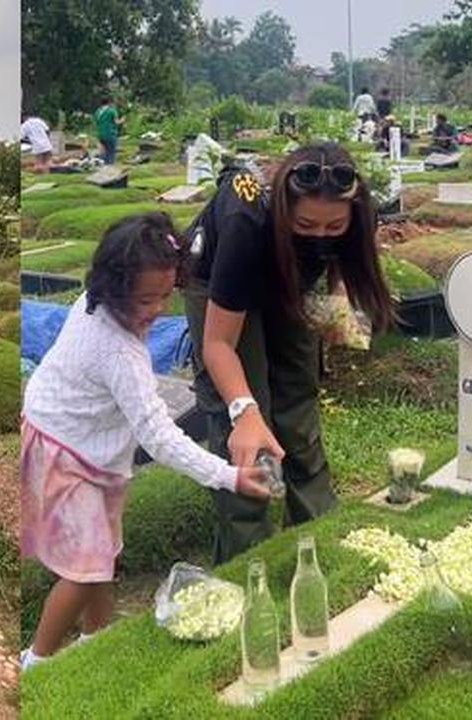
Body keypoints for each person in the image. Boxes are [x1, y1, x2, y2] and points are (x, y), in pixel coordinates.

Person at [20, 212, 271, 671]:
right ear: (113, 288)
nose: (156, 309)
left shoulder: (97, 300)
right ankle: (36, 660)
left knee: (101, 556)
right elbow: (158, 436)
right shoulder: (118, 352)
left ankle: (96, 638)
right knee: (83, 570)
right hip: (64, 448)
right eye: (144, 300)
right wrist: (228, 476)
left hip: (82, 443)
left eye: (164, 295)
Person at [182, 144, 396, 564]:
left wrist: (336, 303)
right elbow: (218, 345)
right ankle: (248, 557)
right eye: (306, 224)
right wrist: (244, 412)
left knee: (298, 392)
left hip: (288, 280)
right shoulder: (246, 219)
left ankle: (318, 532)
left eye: (334, 226)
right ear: (284, 209)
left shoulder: (361, 211)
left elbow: (343, 258)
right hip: (221, 282)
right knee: (246, 418)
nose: (320, 235)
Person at [94, 96, 122, 165]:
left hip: (100, 134)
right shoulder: (112, 111)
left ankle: (104, 165)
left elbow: (96, 122)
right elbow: (116, 122)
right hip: (110, 133)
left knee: (104, 152)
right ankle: (110, 166)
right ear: (109, 102)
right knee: (111, 152)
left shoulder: (98, 111)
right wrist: (123, 120)